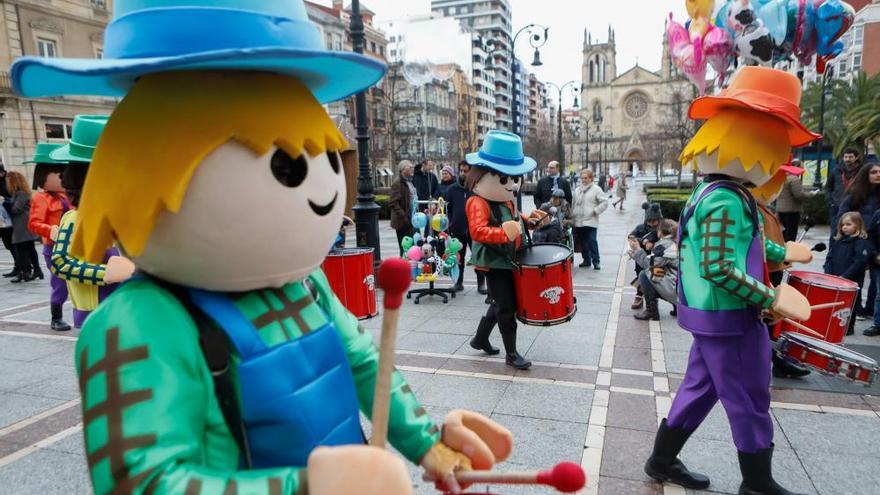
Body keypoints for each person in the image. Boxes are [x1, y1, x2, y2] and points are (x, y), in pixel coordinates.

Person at [14, 2, 517, 490]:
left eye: (323, 157)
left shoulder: (305, 283)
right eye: (288, 167)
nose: (324, 192)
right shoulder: (135, 326)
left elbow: (363, 363)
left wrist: (428, 441)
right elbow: (143, 481)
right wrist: (308, 486)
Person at [644, 67, 815, 495]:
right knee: (749, 398)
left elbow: (739, 247)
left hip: (712, 317)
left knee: (700, 390)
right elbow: (721, 266)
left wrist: (779, 252)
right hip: (731, 316)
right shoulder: (726, 198)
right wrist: (770, 296)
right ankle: (757, 483)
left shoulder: (714, 191)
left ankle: (661, 459)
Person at [47, 115, 136, 328]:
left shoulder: (117, 215)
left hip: (124, 305)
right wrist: (105, 273)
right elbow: (61, 262)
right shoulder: (75, 219)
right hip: (96, 311)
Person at [465, 130, 541, 370]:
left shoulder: (506, 199)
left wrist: (528, 221)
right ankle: (511, 354)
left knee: (499, 303)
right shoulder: (477, 201)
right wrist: (504, 234)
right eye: (504, 178)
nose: (513, 184)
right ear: (481, 175)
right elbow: (478, 231)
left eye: (515, 178)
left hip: (509, 258)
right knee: (507, 307)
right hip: (494, 260)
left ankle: (479, 339)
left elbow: (514, 219)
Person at [26, 143, 72, 331]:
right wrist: (51, 230)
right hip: (54, 247)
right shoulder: (41, 198)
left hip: (75, 245)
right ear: (44, 176)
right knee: (60, 283)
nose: (64, 177)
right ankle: (56, 317)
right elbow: (33, 224)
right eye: (59, 174)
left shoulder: (68, 195)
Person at [839, 161, 880, 319]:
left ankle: (871, 310)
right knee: (857, 276)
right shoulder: (854, 195)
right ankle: (856, 311)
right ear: (865, 175)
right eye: (874, 172)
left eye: (879, 172)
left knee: (876, 282)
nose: (878, 175)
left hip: (876, 243)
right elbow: (842, 218)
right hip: (858, 242)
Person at [823, 212, 870, 336]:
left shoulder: (860, 242)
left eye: (848, 224)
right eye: (843, 224)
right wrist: (828, 273)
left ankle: (849, 326)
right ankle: (834, 322)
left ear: (857, 226)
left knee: (851, 303)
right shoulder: (838, 240)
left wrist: (844, 276)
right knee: (835, 301)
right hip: (835, 277)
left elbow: (859, 262)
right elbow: (830, 257)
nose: (844, 227)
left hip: (850, 279)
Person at [446, 160, 486, 294]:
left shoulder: (478, 189)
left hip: (475, 230)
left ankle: (481, 284)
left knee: (477, 257)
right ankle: (458, 282)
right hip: (457, 230)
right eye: (461, 171)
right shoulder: (452, 189)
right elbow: (448, 209)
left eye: (466, 171)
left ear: (471, 171)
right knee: (458, 258)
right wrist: (451, 224)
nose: (463, 173)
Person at [629, 219, 678, 321]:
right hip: (680, 284)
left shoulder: (664, 245)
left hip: (674, 286)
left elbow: (649, 265)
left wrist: (637, 250)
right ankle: (677, 307)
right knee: (657, 272)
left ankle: (651, 310)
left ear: (660, 231)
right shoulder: (674, 242)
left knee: (644, 274)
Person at [5, 171, 41, 283]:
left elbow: (16, 209)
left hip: (22, 226)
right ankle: (36, 271)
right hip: (22, 225)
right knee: (29, 249)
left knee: (21, 249)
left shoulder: (21, 194)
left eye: (8, 180)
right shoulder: (19, 193)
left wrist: (6, 204)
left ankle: (24, 273)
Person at [572, 169, 608, 269]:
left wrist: (595, 211)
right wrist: (572, 215)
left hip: (590, 220)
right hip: (578, 220)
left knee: (592, 241)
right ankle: (586, 260)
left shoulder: (596, 189)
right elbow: (573, 204)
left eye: (586, 178)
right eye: (582, 178)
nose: (584, 180)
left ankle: (596, 261)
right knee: (583, 241)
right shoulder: (577, 189)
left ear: (591, 178)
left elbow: (605, 202)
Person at [629, 203, 663, 310]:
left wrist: (653, 243)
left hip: (657, 258)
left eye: (654, 221)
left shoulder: (663, 228)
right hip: (641, 256)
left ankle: (656, 297)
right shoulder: (640, 228)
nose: (651, 223)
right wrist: (642, 241)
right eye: (649, 221)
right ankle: (639, 294)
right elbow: (631, 236)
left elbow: (666, 240)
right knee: (640, 274)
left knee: (657, 277)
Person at [775, 159, 813, 242]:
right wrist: (810, 195)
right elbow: (798, 195)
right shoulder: (794, 179)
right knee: (791, 235)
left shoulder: (782, 178)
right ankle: (790, 252)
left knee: (783, 234)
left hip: (780, 210)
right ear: (797, 167)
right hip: (791, 211)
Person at [826, 147, 862, 226]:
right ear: (842, 158)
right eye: (845, 157)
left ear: (856, 158)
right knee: (835, 231)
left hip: (854, 206)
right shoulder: (836, 171)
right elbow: (828, 187)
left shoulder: (861, 171)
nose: (847, 159)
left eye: (850, 157)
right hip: (836, 206)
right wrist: (831, 202)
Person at [390, 160, 416, 256]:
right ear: (403, 169)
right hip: (403, 221)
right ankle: (404, 268)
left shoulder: (410, 181)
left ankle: (411, 268)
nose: (412, 168)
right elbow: (393, 202)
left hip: (412, 219)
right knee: (405, 247)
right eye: (410, 167)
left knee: (413, 247)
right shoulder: (397, 183)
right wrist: (404, 217)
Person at [0, 164, 21, 278]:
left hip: (10, 219)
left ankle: (20, 267)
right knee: (8, 245)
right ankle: (18, 266)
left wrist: (4, 200)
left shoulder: (8, 184)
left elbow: (14, 200)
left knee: (13, 245)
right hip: (2, 220)